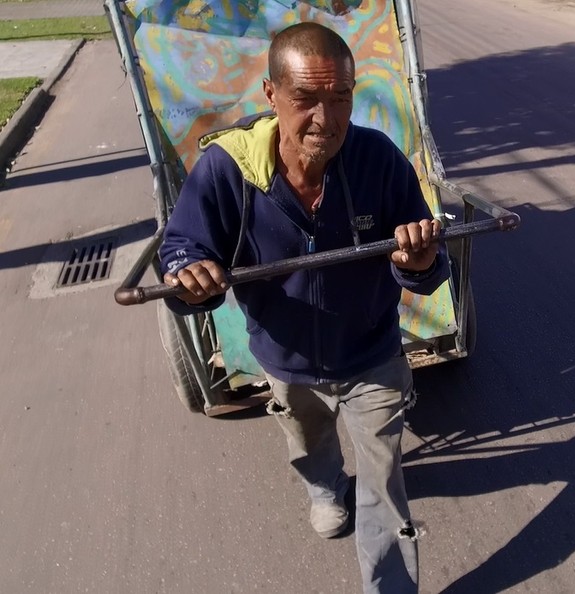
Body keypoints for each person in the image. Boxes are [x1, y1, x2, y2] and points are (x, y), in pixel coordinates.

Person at [158, 21, 448, 594]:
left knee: (384, 482)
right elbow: (183, 247)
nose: (327, 119)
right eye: (306, 99)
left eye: (340, 97)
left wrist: (417, 260)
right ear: (271, 95)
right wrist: (191, 274)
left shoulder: (379, 161)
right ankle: (321, 485)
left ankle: (389, 587)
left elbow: (428, 263)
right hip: (285, 360)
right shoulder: (227, 169)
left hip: (372, 354)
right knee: (310, 443)